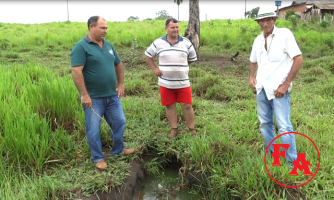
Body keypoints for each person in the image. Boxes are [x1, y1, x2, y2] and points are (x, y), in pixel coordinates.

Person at [71, 16, 135, 170]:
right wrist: (84, 95)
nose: (105, 31)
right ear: (91, 27)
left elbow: (118, 63)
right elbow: (76, 71)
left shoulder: (108, 45)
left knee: (119, 121)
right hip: (93, 98)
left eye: (106, 28)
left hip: (112, 95)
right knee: (93, 128)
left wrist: (121, 83)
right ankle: (98, 157)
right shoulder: (81, 47)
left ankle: (118, 150)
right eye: (102, 28)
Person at [249, 12, 303, 167]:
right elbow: (253, 61)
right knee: (265, 123)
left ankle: (291, 162)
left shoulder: (284, 35)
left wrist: (285, 85)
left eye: (268, 20)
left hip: (279, 90)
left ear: (274, 20)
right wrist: (251, 76)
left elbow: (298, 59)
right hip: (261, 89)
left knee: (284, 125)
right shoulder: (258, 40)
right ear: (258, 23)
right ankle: (272, 155)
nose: (265, 23)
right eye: (262, 21)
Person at [145, 18, 198, 139]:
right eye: (173, 27)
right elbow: (148, 55)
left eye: (177, 27)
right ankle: (174, 130)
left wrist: (180, 68)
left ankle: (192, 129)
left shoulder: (186, 42)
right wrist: (154, 69)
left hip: (183, 83)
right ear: (166, 28)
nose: (175, 29)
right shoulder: (158, 43)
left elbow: (192, 59)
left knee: (187, 105)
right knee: (170, 105)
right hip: (165, 83)